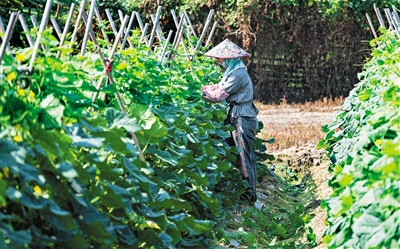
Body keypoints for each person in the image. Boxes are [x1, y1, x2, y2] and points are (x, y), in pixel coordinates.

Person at [202, 39, 263, 210]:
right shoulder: (233, 71)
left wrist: (200, 92)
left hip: (242, 116)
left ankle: (249, 199)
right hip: (238, 114)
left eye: (220, 59)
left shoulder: (238, 74)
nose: (218, 62)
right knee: (241, 155)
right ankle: (246, 194)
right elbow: (219, 87)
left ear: (228, 59)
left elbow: (218, 96)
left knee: (244, 157)